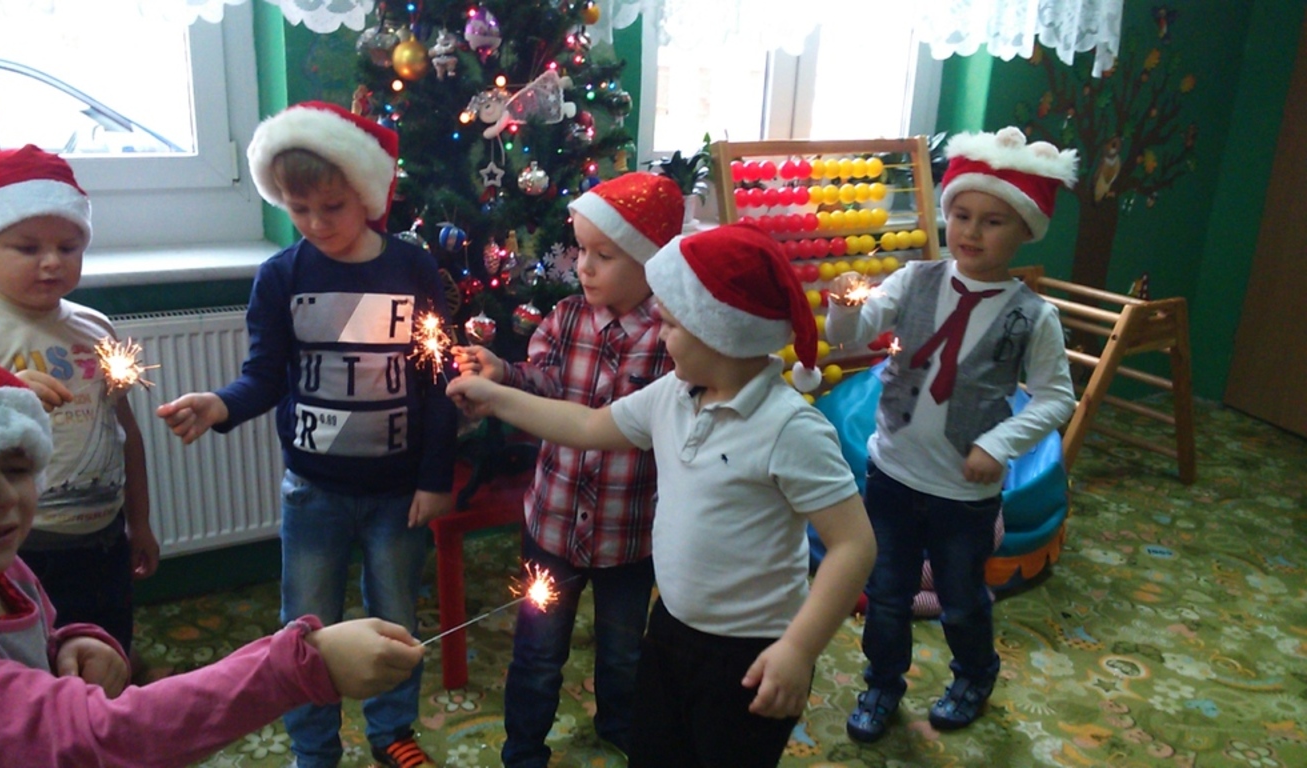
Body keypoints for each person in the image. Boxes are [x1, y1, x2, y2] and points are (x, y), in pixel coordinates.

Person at [449, 223, 878, 768]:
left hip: (753, 653)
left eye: (672, 325)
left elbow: (853, 545)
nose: (662, 334)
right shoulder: (673, 395)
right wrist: (495, 397)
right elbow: (586, 425)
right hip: (672, 628)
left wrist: (798, 648)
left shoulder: (791, 429)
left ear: (720, 333)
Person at [0, 344, 426, 768]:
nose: (2, 498)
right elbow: (95, 738)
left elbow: (28, 650)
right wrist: (301, 665)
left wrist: (69, 644)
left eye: (17, 469)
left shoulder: (1, 570)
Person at [155, 101, 457, 768]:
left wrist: (437, 478)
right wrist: (220, 405)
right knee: (305, 627)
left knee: (395, 619)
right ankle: (313, 749)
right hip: (313, 492)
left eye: (333, 207)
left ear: (366, 194)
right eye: (300, 210)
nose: (317, 224)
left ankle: (392, 732)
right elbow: (263, 377)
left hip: (398, 495)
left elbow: (439, 380)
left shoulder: (412, 270)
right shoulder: (281, 276)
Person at [825, 126, 1079, 742]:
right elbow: (847, 335)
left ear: (1025, 229)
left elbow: (1056, 398)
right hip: (891, 476)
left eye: (993, 221)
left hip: (964, 498)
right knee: (886, 593)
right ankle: (882, 684)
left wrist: (999, 444)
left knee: (962, 599)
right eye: (962, 215)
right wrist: (844, 306)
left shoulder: (1034, 316)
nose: (971, 232)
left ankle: (974, 675)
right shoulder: (914, 280)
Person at [451, 171, 683, 767]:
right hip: (552, 526)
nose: (585, 266)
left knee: (623, 651)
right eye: (581, 251)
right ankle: (523, 747)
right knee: (536, 651)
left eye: (604, 255)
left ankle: (619, 723)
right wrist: (504, 374)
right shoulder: (565, 317)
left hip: (629, 534)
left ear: (651, 262)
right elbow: (543, 383)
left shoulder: (671, 338)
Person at [0, 144, 159, 658]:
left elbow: (124, 433)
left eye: (68, 246)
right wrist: (7, 398)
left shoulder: (96, 328)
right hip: (17, 549)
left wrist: (140, 522)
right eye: (26, 247)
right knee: (33, 665)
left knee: (109, 651)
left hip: (103, 538)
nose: (51, 262)